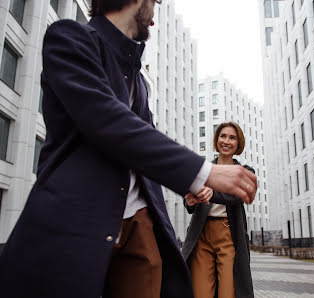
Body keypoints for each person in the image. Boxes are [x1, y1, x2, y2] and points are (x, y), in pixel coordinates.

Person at [0, 1, 257, 298]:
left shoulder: (138, 79)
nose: (155, 9)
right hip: (77, 219)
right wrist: (202, 172)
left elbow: (145, 140)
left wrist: (186, 186)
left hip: (140, 224)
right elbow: (109, 122)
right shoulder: (68, 38)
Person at [182, 122, 255, 298]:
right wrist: (190, 202)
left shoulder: (244, 172)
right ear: (217, 140)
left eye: (232, 137)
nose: (226, 141)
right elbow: (190, 205)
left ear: (238, 143)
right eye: (223, 136)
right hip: (202, 235)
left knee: (228, 292)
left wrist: (212, 193)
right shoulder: (204, 169)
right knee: (200, 293)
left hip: (228, 236)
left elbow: (236, 196)